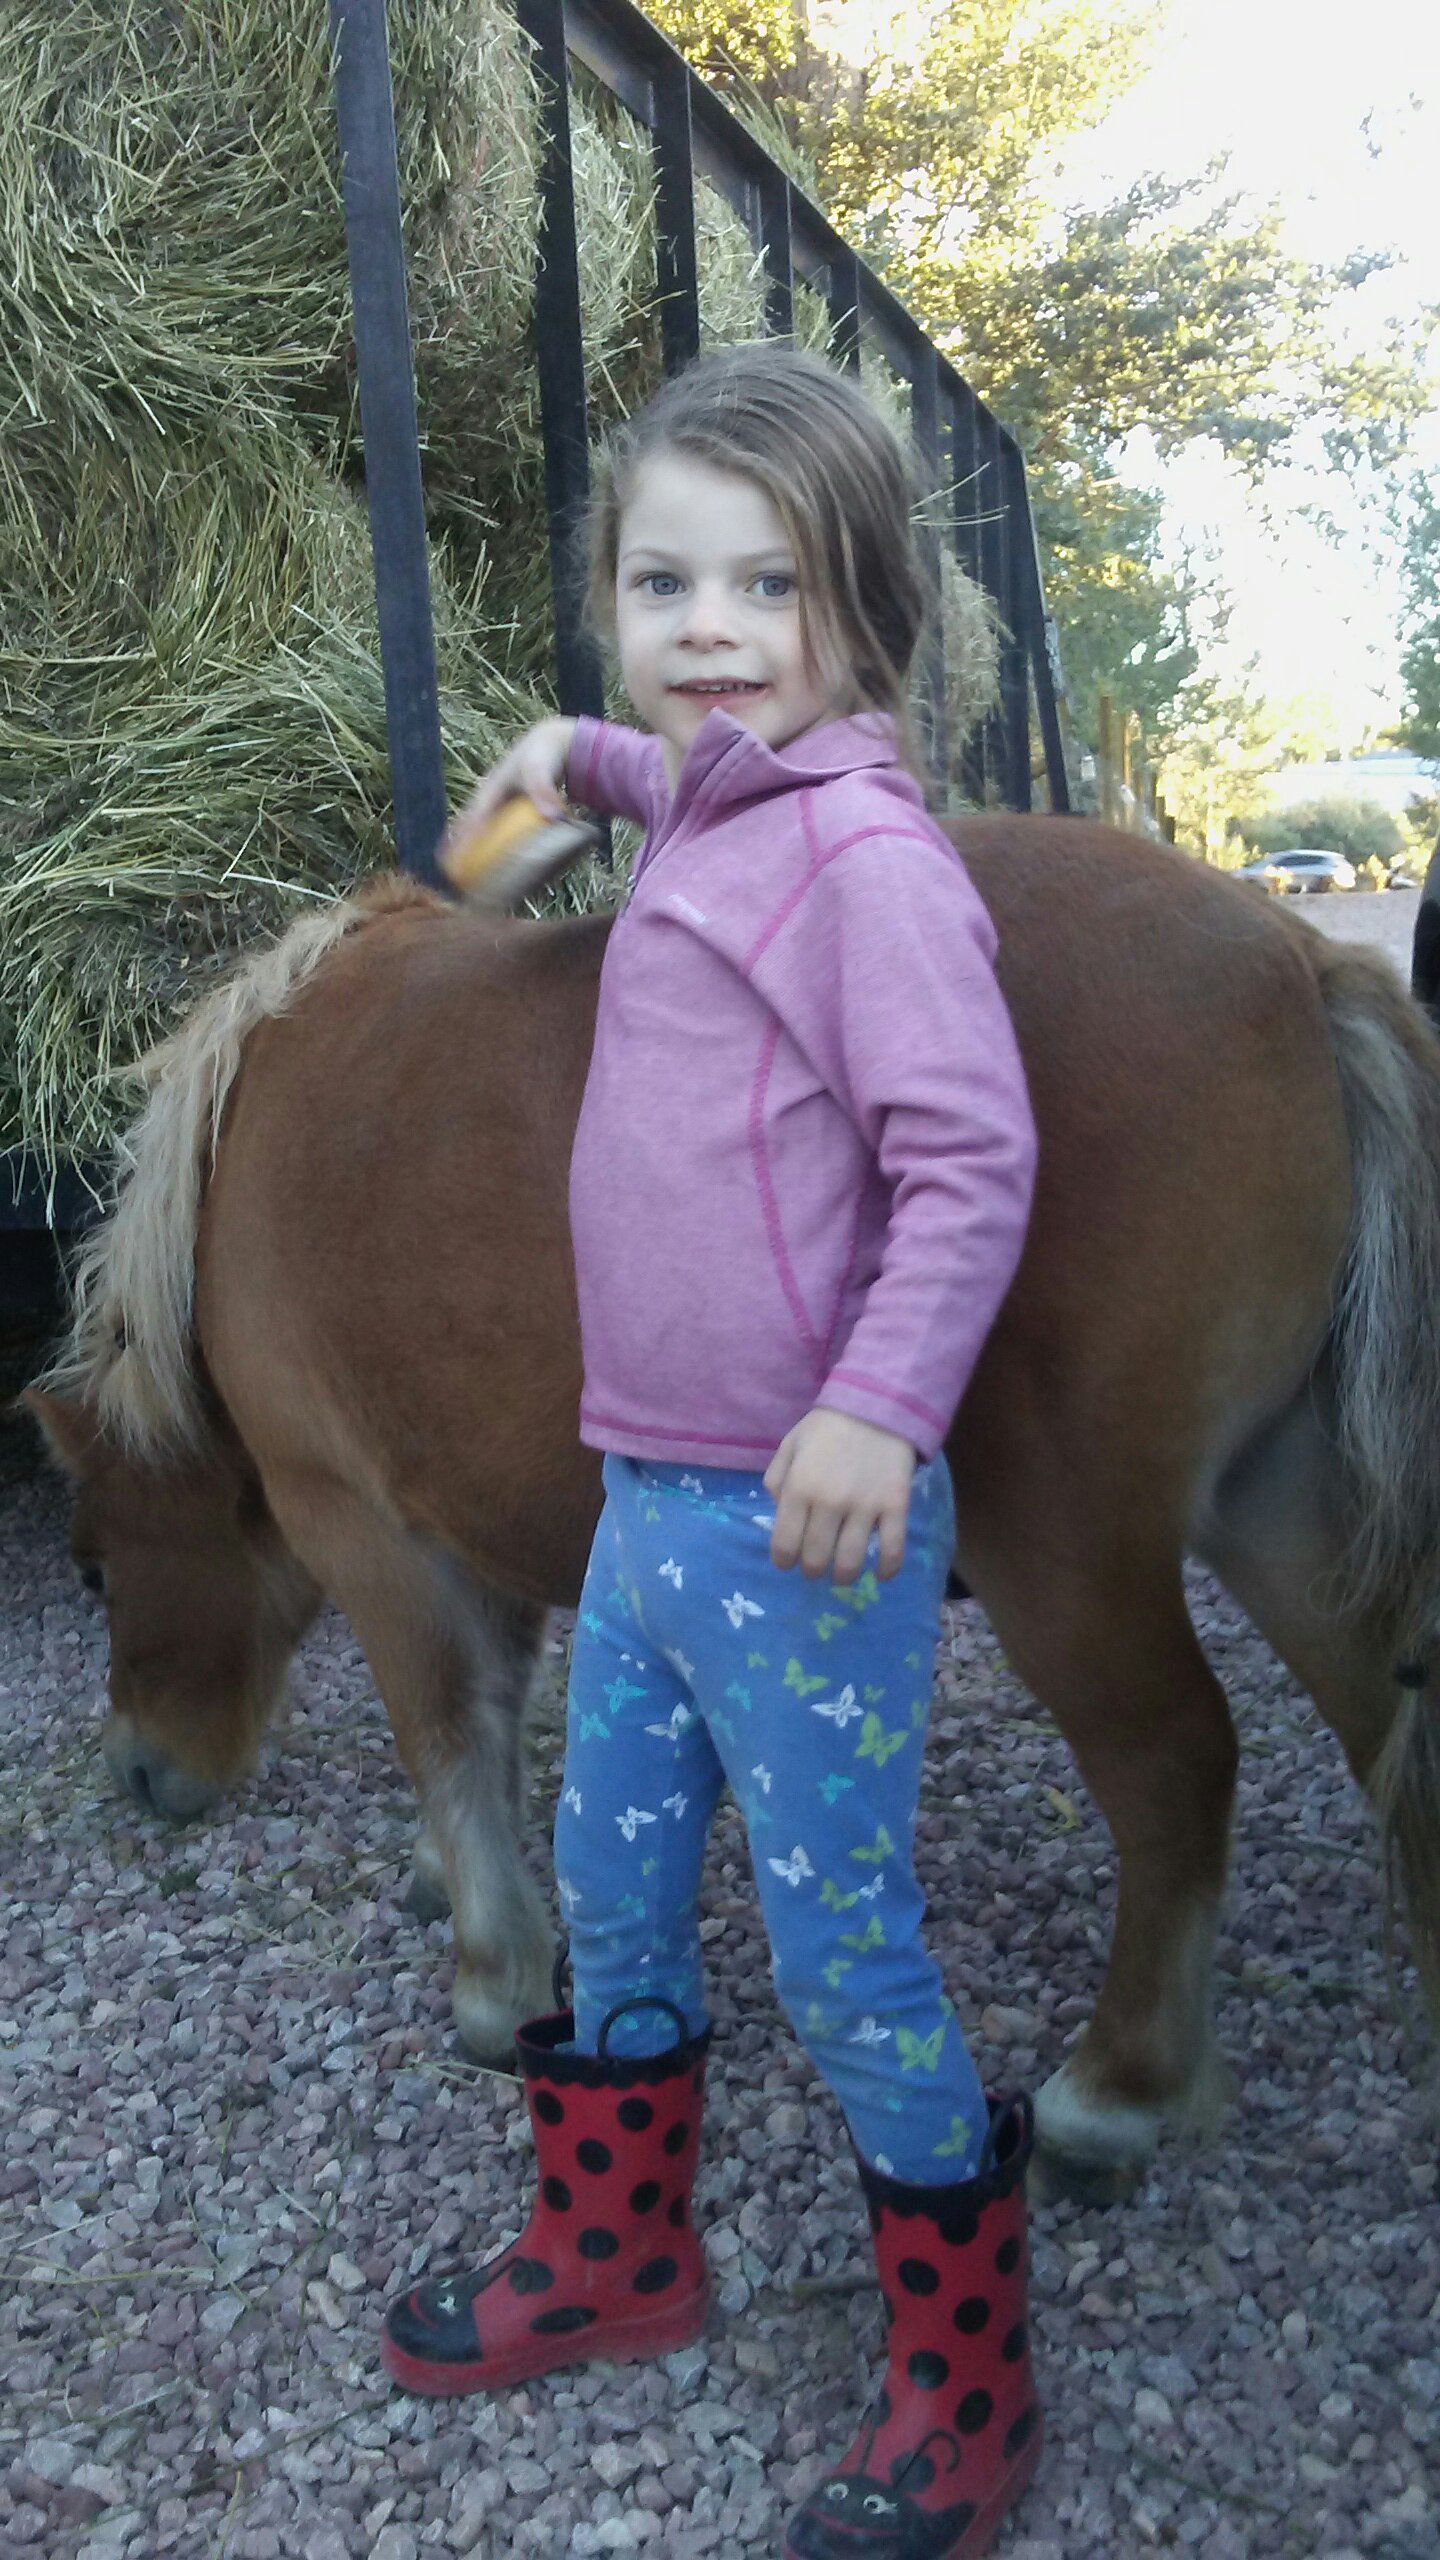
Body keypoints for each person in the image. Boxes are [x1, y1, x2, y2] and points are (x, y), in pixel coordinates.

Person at [381, 342, 1043, 2560]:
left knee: (845, 1947)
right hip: (644, 1510)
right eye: (662, 583)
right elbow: (641, 758)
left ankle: (964, 2377)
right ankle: (616, 2249)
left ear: (866, 610)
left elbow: (968, 1160)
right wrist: (555, 762)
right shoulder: (714, 800)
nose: (710, 628)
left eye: (769, 585)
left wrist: (880, 1402)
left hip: (798, 1523)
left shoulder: (862, 863)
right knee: (615, 1884)